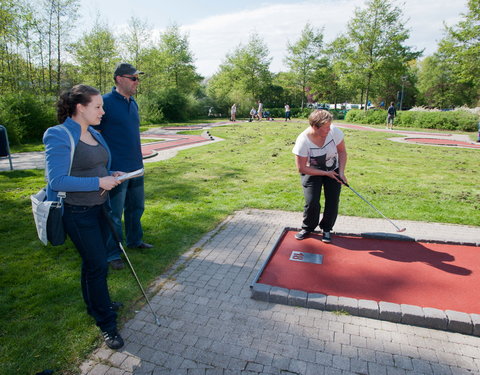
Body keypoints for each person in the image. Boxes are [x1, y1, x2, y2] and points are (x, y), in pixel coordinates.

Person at [43, 84, 125, 349]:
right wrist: (98, 182)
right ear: (80, 107)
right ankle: (106, 322)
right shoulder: (58, 134)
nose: (103, 111)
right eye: (98, 106)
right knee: (98, 265)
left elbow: (99, 166)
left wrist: (110, 175)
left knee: (93, 264)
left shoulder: (94, 133)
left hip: (101, 208)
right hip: (78, 213)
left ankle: (96, 303)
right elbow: (56, 180)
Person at [94, 62, 153, 271]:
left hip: (136, 166)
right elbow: (95, 135)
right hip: (116, 170)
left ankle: (134, 241)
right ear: (119, 79)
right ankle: (112, 254)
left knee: (137, 208)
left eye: (138, 78)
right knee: (114, 214)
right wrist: (102, 165)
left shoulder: (133, 103)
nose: (137, 82)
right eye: (133, 78)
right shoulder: (105, 103)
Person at [292, 110, 348, 243]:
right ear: (315, 127)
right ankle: (308, 227)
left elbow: (342, 152)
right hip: (311, 169)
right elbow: (301, 168)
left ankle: (327, 228)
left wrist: (341, 172)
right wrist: (325, 173)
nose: (329, 129)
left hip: (333, 168)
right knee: (311, 202)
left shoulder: (335, 132)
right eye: (326, 127)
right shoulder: (303, 140)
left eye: (330, 125)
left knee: (333, 200)